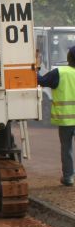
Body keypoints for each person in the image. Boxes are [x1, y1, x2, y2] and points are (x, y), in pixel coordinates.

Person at [37, 45, 75, 186]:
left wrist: (35, 68)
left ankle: (68, 178)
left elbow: (40, 81)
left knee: (67, 149)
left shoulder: (60, 72)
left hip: (66, 121)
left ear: (69, 58)